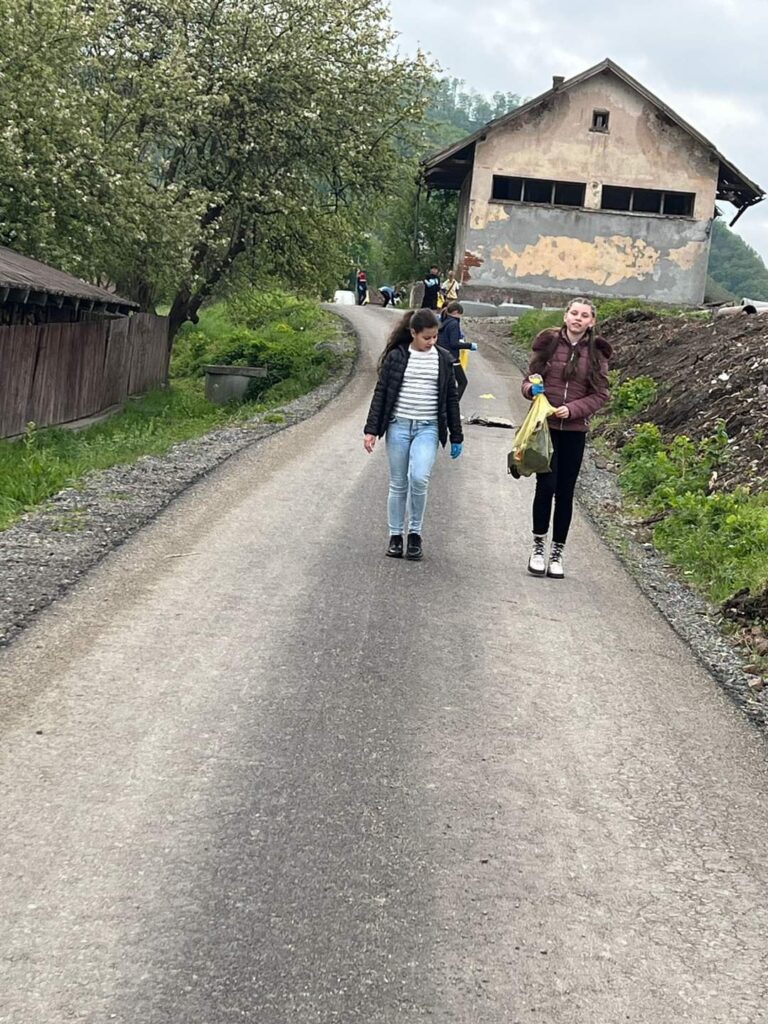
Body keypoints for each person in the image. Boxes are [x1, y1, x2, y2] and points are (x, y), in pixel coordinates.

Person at [520, 297, 611, 580]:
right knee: (545, 486)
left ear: (592, 322)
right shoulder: (548, 344)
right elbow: (528, 380)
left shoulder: (597, 353)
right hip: (545, 428)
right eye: (574, 313)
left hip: (574, 431)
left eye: (584, 315)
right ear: (565, 316)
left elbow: (600, 394)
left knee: (565, 492)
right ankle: (538, 548)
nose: (578, 319)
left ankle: (557, 553)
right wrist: (531, 390)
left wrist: (573, 410)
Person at [363, 309, 463, 561]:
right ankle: (396, 536)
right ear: (413, 333)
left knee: (419, 478)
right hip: (398, 426)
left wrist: (456, 435)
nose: (432, 341)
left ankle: (415, 533)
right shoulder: (397, 356)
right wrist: (371, 430)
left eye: (435, 337)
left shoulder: (443, 359)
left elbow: (451, 398)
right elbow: (381, 392)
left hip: (428, 428)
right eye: (426, 337)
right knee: (398, 482)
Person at [437, 301, 476, 402]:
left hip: (443, 356)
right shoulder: (454, 324)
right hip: (453, 358)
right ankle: (453, 405)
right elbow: (454, 343)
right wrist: (469, 345)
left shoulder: (444, 321)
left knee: (446, 384)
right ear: (456, 312)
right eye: (460, 314)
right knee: (462, 382)